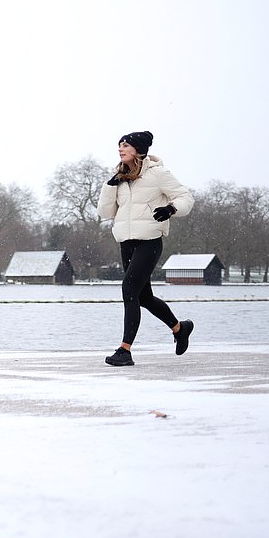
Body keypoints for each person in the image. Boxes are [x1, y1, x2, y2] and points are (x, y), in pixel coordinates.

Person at [97, 131, 195, 367]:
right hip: (126, 242)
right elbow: (105, 213)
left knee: (129, 287)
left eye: (126, 145)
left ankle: (124, 350)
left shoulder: (158, 174)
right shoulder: (118, 178)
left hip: (149, 240)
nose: (121, 149)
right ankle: (180, 329)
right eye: (119, 145)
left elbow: (186, 197)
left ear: (139, 150)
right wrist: (111, 186)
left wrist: (171, 209)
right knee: (144, 297)